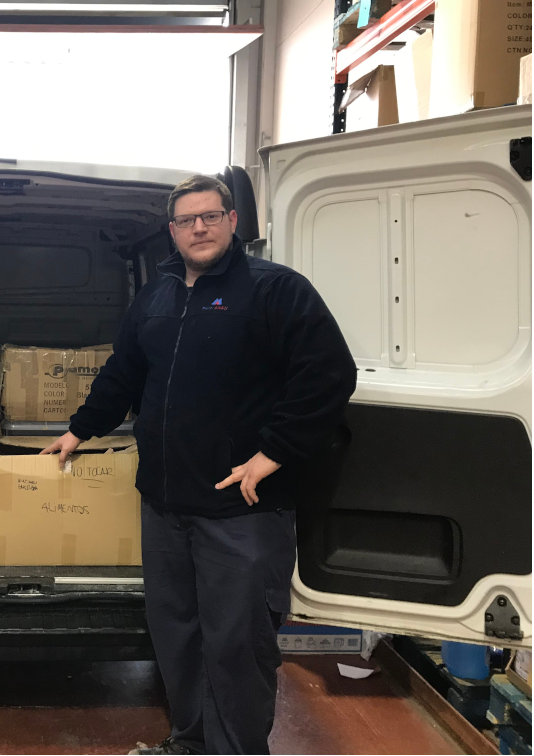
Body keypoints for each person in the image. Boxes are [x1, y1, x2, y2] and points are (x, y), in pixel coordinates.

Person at [42, 174, 357, 754]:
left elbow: (330, 375)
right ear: (172, 231)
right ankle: (188, 741)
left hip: (240, 505)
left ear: (233, 222)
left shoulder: (274, 289)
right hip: (166, 504)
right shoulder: (156, 296)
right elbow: (124, 373)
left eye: (210, 216)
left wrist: (273, 454)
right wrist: (79, 429)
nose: (199, 228)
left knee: (238, 643)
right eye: (187, 220)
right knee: (177, 634)